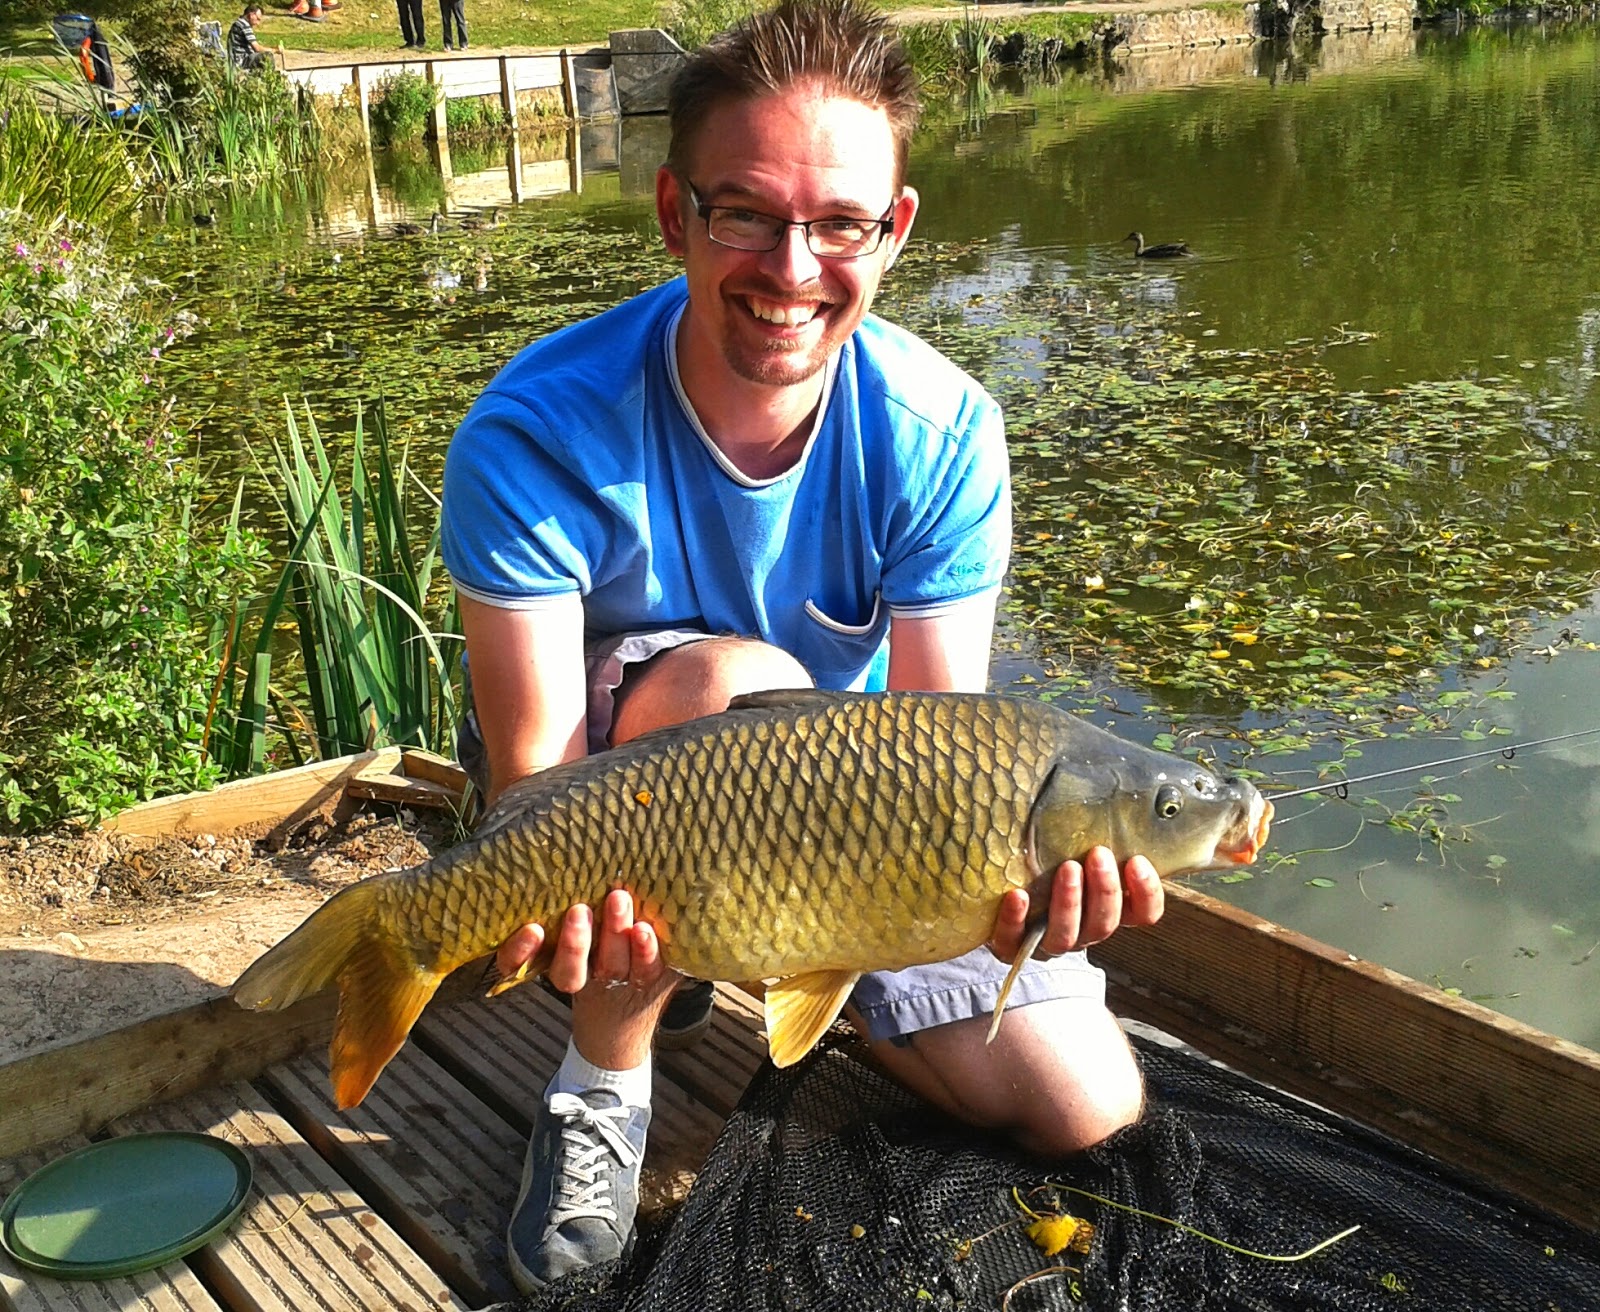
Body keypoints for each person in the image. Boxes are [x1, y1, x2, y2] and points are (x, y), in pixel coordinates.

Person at [439, 0, 1164, 1294]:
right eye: (747, 213)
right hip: (624, 800)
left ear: (894, 232)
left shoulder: (941, 430)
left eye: (838, 223)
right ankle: (606, 1075)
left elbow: (961, 754)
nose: (792, 266)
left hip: (853, 831)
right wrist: (546, 915)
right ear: (675, 214)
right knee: (734, 684)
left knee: (1084, 1107)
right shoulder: (537, 432)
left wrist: (1028, 907)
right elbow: (534, 773)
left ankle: (772, 973)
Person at [226, 4, 270, 70]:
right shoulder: (244, 25)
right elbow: (257, 48)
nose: (258, 23)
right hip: (241, 60)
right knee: (267, 56)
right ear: (251, 15)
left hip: (238, 57)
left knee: (262, 57)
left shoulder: (239, 23)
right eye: (258, 19)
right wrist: (275, 50)